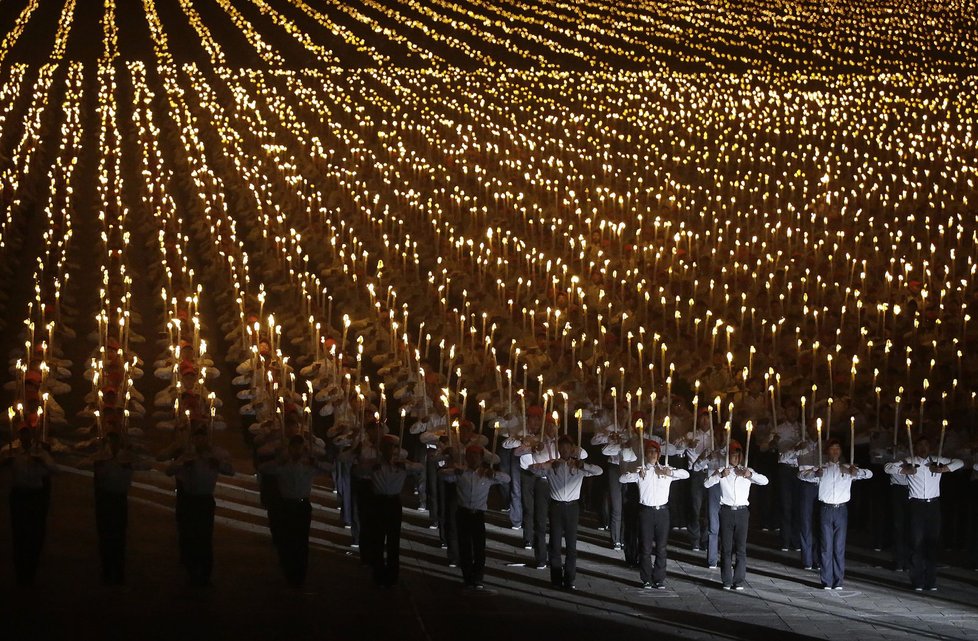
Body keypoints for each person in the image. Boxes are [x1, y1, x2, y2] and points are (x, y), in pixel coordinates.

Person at [884, 435, 963, 591]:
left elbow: (959, 462)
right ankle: (917, 580)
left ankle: (931, 580)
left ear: (930, 447)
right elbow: (887, 467)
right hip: (916, 505)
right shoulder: (909, 460)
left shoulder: (936, 460)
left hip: (933, 505)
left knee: (932, 543)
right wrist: (904, 469)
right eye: (920, 445)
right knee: (916, 542)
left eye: (926, 445)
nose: (923, 448)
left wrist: (943, 469)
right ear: (915, 447)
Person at [258, 434, 332, 586]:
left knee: (302, 540)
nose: (297, 451)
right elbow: (263, 468)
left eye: (300, 448)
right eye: (294, 447)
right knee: (287, 539)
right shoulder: (283, 465)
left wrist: (315, 462)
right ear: (290, 449)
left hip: (302, 505)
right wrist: (279, 460)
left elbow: (330, 469)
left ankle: (300, 573)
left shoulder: (308, 466)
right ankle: (288, 570)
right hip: (286, 505)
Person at [798, 438, 872, 589]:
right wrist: (815, 474)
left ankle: (838, 580)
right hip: (826, 509)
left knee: (838, 547)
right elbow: (801, 475)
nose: (835, 451)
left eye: (837, 448)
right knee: (826, 546)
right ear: (827, 451)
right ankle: (826, 580)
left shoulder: (846, 468)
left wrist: (856, 471)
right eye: (832, 449)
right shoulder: (822, 468)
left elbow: (869, 474)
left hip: (841, 510)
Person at [531, 435, 602, 589]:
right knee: (555, 543)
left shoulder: (578, 465)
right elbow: (532, 469)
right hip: (556, 506)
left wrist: (583, 466)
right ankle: (556, 579)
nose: (564, 450)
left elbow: (599, 471)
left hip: (572, 507)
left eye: (567, 447)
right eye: (561, 448)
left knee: (571, 544)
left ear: (572, 449)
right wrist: (547, 466)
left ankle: (569, 579)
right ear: (558, 449)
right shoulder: (553, 465)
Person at [165, 428, 235, 586]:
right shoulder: (187, 456)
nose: (200, 442)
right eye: (197, 439)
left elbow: (231, 471)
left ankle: (205, 573)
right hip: (189, 500)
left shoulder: (214, 455)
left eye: (203, 438)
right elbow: (168, 471)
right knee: (190, 536)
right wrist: (182, 462)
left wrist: (217, 463)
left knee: (204, 537)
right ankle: (192, 571)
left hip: (205, 500)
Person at [80, 431, 150, 585]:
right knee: (105, 534)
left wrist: (130, 463)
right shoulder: (101, 455)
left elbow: (146, 465)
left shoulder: (126, 456)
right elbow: (82, 464)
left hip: (119, 499)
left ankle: (118, 570)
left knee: (119, 535)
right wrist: (97, 463)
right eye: (112, 442)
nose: (114, 445)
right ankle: (106, 569)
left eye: (116, 442)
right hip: (105, 499)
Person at [620, 439, 689, 589]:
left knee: (661, 548)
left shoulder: (666, 469)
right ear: (646, 454)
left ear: (659, 454)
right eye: (650, 452)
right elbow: (622, 478)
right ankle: (646, 578)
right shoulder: (641, 470)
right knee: (645, 547)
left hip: (663, 512)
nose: (652, 454)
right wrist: (637, 474)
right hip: (646, 512)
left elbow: (685, 474)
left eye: (655, 452)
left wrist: (669, 472)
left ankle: (659, 578)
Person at [704, 440, 769, 589]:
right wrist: (720, 475)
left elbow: (765, 481)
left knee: (741, 548)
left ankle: (738, 580)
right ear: (728, 456)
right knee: (726, 548)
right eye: (733, 455)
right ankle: (726, 580)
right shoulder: (722, 470)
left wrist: (750, 475)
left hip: (742, 512)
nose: (736, 458)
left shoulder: (746, 471)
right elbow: (706, 483)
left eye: (738, 455)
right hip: (726, 511)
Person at [442, 444, 510, 588]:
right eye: (471, 455)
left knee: (479, 548)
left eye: (477, 456)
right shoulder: (461, 473)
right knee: (464, 546)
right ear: (466, 457)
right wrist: (455, 470)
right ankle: (467, 577)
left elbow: (507, 479)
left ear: (481, 458)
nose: (474, 458)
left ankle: (478, 576)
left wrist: (494, 474)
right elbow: (441, 474)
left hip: (478, 515)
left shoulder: (486, 473)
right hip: (463, 513)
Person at [362, 434, 422, 586]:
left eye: (392, 447)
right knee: (378, 538)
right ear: (381, 449)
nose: (389, 450)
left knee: (393, 540)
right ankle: (378, 572)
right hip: (378, 502)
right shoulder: (374, 463)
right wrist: (369, 468)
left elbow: (419, 467)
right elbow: (357, 471)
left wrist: (406, 466)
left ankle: (392, 574)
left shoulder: (401, 464)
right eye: (386, 446)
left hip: (394, 502)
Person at [1, 425, 55, 586]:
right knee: (19, 533)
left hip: (35, 496)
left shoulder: (40, 452)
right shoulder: (12, 451)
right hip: (18, 495)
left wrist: (42, 462)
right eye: (22, 434)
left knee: (35, 533)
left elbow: (54, 469)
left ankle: (31, 569)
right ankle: (20, 571)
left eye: (27, 434)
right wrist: (5, 462)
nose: (25, 437)